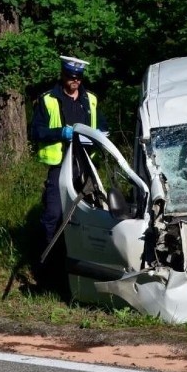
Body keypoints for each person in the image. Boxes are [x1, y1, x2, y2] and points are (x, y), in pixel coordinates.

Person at [30, 55, 107, 288]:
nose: (74, 81)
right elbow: (36, 132)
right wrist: (59, 133)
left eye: (78, 77)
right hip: (59, 165)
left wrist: (103, 134)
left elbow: (102, 125)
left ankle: (88, 269)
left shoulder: (90, 100)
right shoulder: (48, 100)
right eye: (70, 76)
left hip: (85, 166)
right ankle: (46, 271)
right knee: (52, 216)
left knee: (93, 215)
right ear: (63, 75)